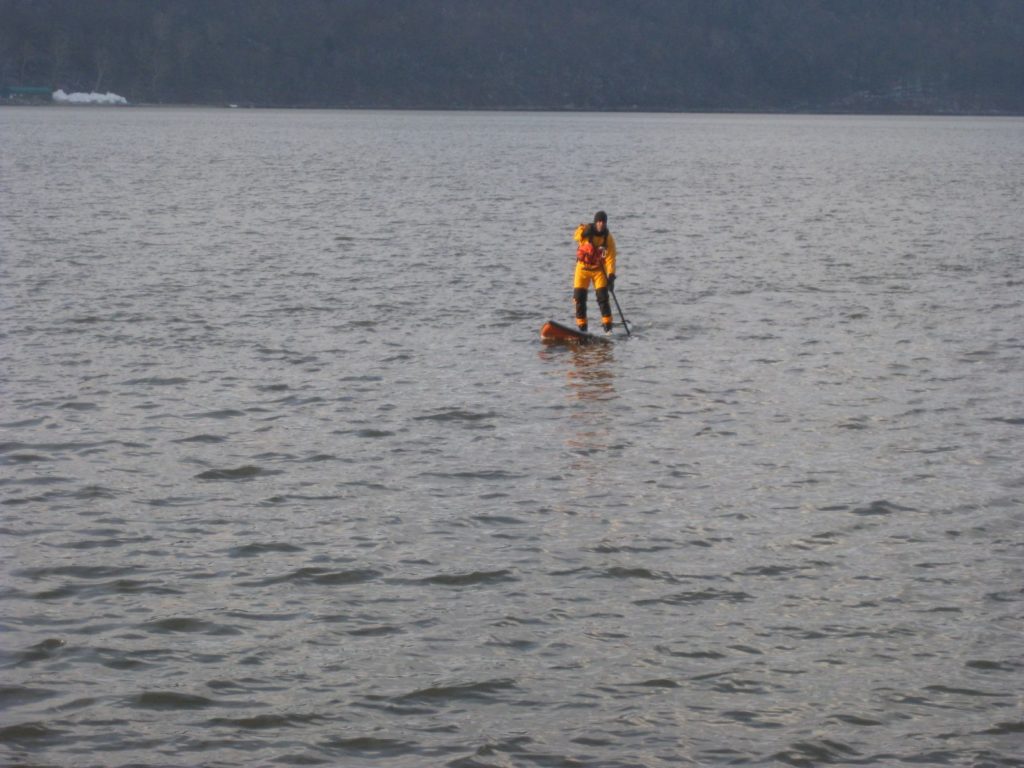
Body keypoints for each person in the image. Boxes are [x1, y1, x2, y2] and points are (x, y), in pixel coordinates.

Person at [572, 210, 617, 333]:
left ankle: (608, 327)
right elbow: (576, 235)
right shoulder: (586, 230)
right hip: (582, 269)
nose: (601, 224)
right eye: (599, 221)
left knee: (603, 298)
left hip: (598, 271)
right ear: (595, 222)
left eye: (603, 221)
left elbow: (610, 258)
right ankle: (582, 328)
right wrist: (583, 232)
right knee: (579, 298)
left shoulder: (608, 238)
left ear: (606, 223)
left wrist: (611, 276)